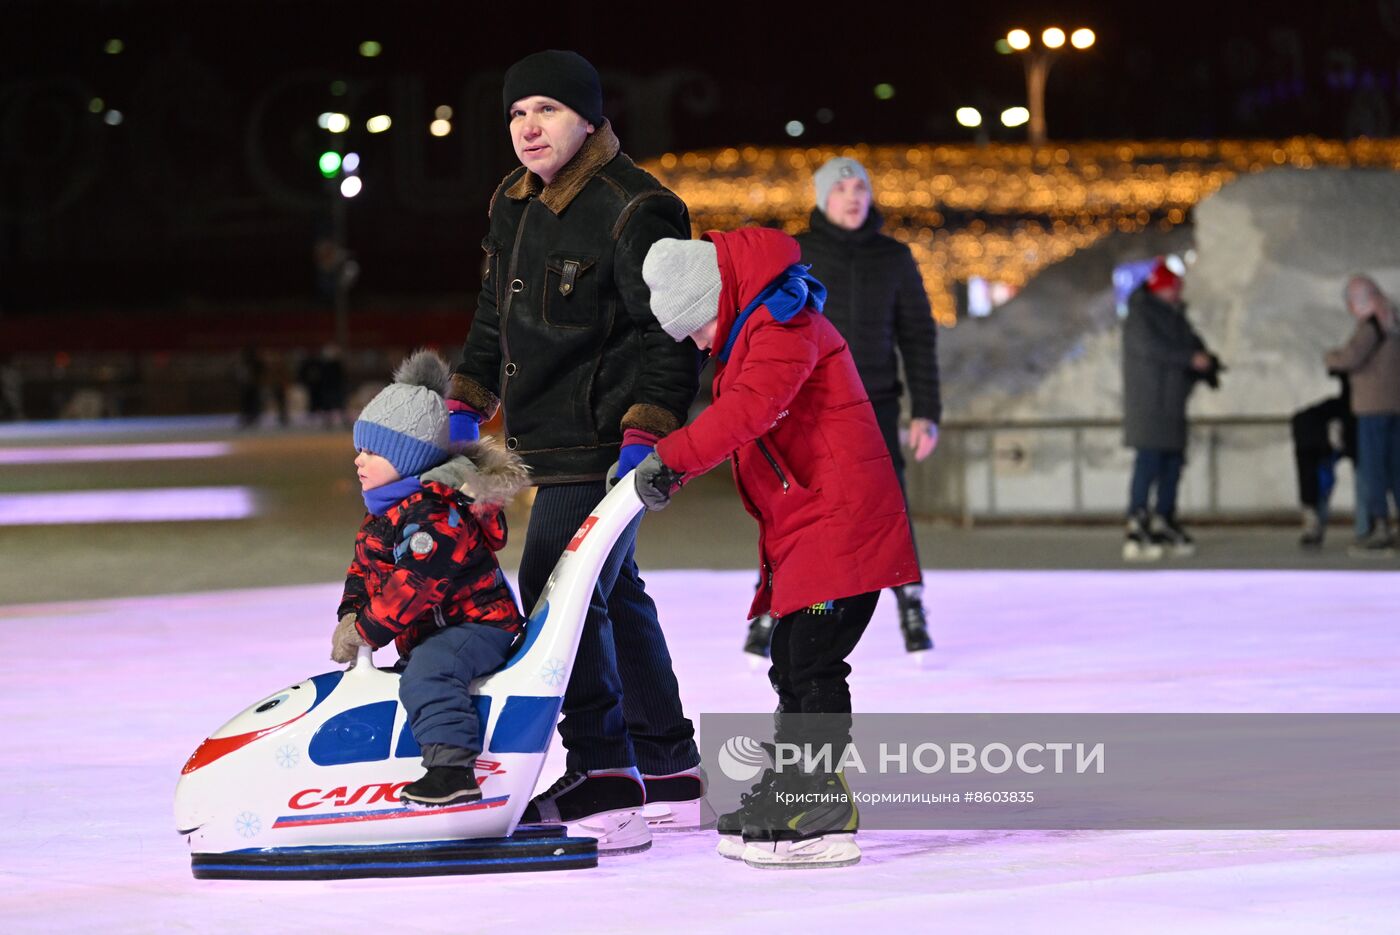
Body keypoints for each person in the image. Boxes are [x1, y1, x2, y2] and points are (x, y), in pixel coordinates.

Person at [448, 50, 704, 852]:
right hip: (541, 437)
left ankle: (604, 778)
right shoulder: (512, 202)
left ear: (588, 118)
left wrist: (646, 431)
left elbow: (672, 333)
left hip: (601, 444)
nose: (529, 127)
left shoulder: (637, 208)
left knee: (557, 587)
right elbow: (496, 312)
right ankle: (666, 765)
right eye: (517, 112)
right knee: (612, 592)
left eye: (548, 110)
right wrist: (467, 399)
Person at [632, 226, 921, 869]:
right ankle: (796, 787)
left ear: (718, 302)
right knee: (793, 660)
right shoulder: (762, 326)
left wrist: (671, 460)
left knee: (809, 660)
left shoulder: (782, 325)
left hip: (840, 526)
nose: (700, 345)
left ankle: (820, 805)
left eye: (697, 329)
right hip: (816, 526)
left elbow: (749, 410)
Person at [331, 350, 530, 807]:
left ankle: (452, 770)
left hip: (478, 625)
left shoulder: (434, 513)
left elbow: (415, 584)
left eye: (373, 451)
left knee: (430, 672)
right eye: (358, 449)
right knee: (413, 673)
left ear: (409, 457)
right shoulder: (385, 511)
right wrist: (350, 613)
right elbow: (364, 569)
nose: (359, 461)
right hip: (438, 629)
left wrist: (367, 631)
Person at [783, 156, 941, 656]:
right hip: (812, 407)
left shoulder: (894, 257)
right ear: (822, 198)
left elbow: (917, 336)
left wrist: (927, 411)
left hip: (875, 404)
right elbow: (776, 334)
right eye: (841, 188)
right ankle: (782, 605)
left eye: (860, 188)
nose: (853, 196)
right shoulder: (797, 256)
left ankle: (910, 601)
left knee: (885, 506)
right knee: (804, 509)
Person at [1120, 259, 1220, 560]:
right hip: (1149, 404)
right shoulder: (1141, 316)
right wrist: (1190, 359)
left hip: (1173, 403)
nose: (1178, 293)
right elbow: (1153, 348)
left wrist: (1206, 364)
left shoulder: (1175, 317)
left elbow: (1190, 344)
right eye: (1173, 288)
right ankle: (1137, 519)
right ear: (1161, 289)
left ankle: (1165, 517)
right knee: (1149, 461)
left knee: (1172, 465)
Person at [1325, 275, 1400, 556]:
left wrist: (1330, 358)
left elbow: (1350, 358)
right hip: (1394, 405)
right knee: (1395, 467)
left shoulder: (1371, 326)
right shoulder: (1392, 320)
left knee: (1374, 470)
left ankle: (1380, 528)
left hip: (1371, 408)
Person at [1289, 379, 1363, 548]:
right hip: (1346, 416)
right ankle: (1313, 519)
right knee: (1320, 476)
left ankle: (1368, 524)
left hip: (1367, 409)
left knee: (1366, 472)